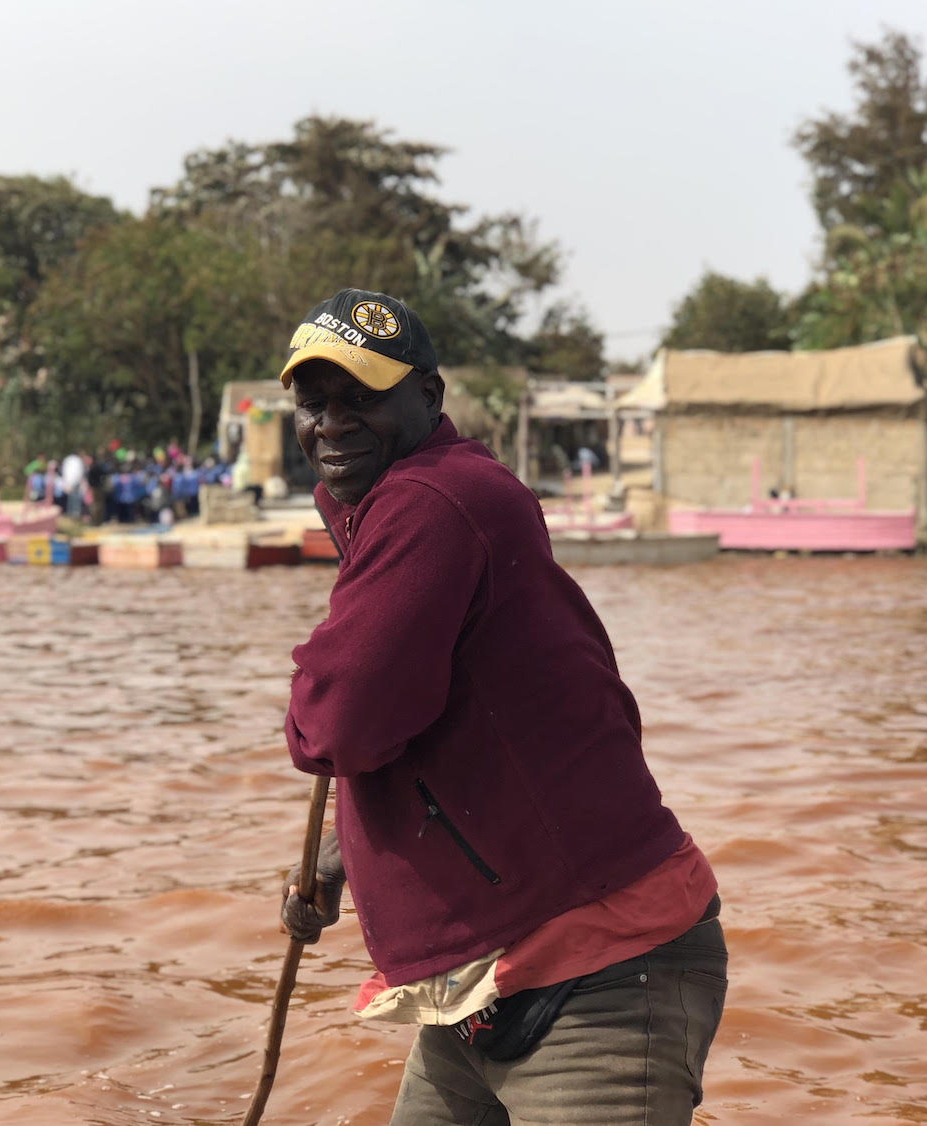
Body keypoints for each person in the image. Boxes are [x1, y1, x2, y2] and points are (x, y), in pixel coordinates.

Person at [275, 290, 726, 1125]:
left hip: (599, 967)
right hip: (476, 990)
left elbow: (339, 719)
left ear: (429, 399)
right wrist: (349, 853)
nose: (332, 423)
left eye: (362, 397)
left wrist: (310, 695)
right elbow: (465, 717)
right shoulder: (402, 502)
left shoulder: (432, 503)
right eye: (314, 401)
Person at [60, 451, 86, 519]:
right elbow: (80, 471)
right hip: (75, 481)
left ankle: (71, 512)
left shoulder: (67, 459)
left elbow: (64, 471)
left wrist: (66, 482)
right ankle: (75, 513)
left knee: (71, 498)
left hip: (70, 481)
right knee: (75, 498)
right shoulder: (78, 459)